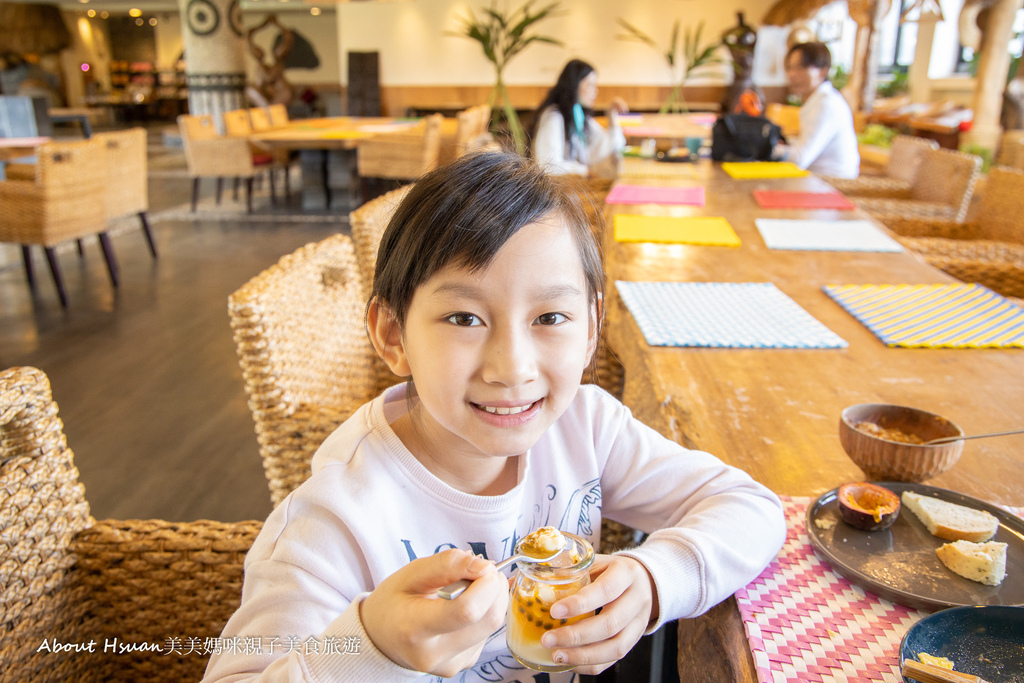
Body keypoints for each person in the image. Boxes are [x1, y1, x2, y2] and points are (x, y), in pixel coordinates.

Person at [201, 152, 786, 682]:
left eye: (551, 317)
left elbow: (751, 508)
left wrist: (657, 580)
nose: (512, 368)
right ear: (391, 333)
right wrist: (370, 649)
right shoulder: (332, 521)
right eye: (463, 318)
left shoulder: (586, 427)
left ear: (591, 329)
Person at [773, 42, 860, 179]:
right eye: (790, 68)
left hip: (833, 186)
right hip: (816, 181)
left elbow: (800, 159)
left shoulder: (826, 104)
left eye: (800, 67)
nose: (792, 75)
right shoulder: (818, 100)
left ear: (823, 70)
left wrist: (764, 147)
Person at [531, 59, 628, 177]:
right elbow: (548, 166)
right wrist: (582, 170)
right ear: (574, 85)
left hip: (571, 188)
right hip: (557, 191)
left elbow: (613, 145)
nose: (595, 91)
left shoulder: (578, 115)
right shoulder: (554, 117)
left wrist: (612, 115)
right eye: (590, 85)